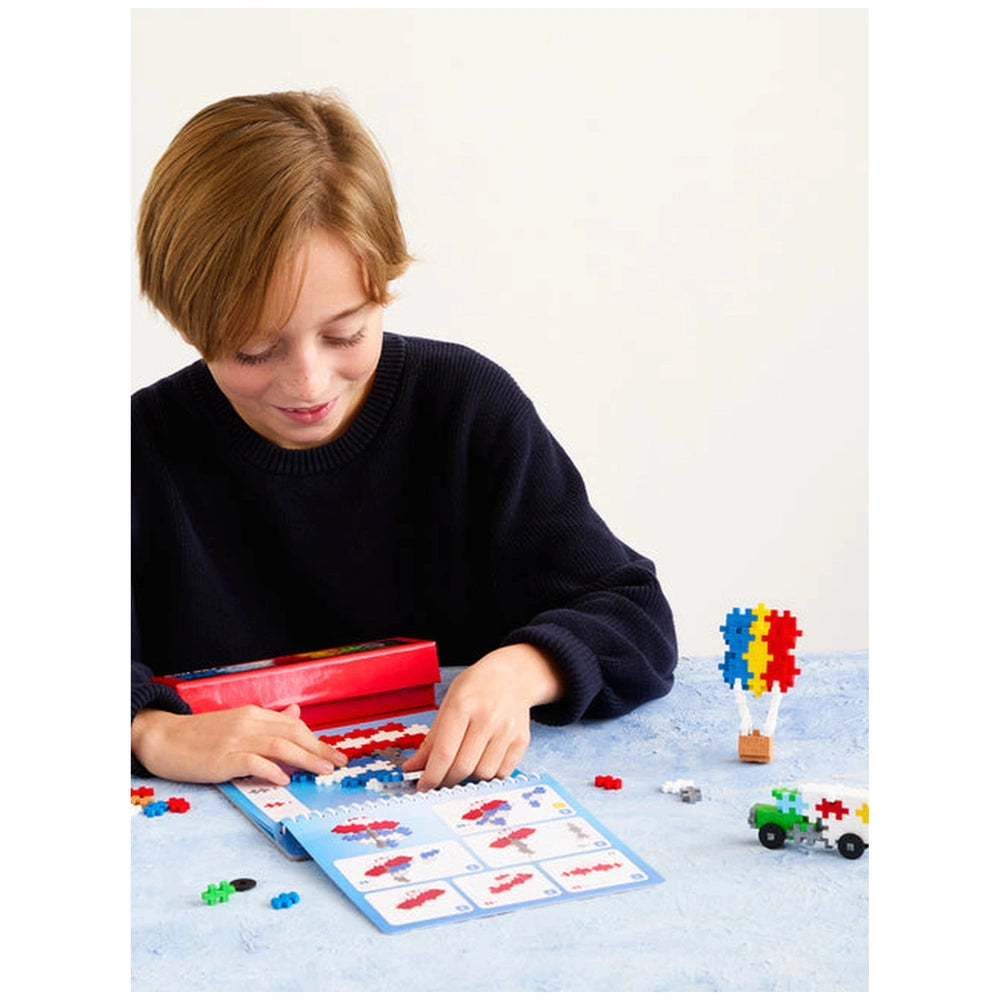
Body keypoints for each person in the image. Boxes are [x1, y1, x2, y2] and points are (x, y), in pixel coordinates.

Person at [131, 90, 677, 792]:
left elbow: (634, 614)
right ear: (187, 324)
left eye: (345, 333)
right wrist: (153, 729)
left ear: (384, 286)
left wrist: (521, 668)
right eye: (253, 349)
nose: (308, 381)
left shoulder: (467, 408)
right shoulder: (136, 451)